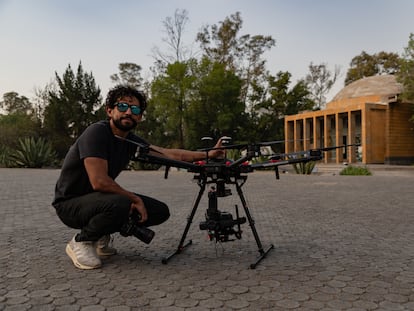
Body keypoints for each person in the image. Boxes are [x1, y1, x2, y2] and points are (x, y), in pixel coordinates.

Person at [52, 85, 224, 270]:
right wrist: (133, 198)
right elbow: (99, 181)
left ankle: (100, 234)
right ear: (109, 111)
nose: (128, 112)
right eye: (122, 106)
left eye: (135, 109)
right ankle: (82, 241)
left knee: (158, 211)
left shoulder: (131, 141)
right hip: (70, 204)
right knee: (121, 203)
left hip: (98, 200)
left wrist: (210, 155)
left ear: (140, 117)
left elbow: (170, 154)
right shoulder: (97, 133)